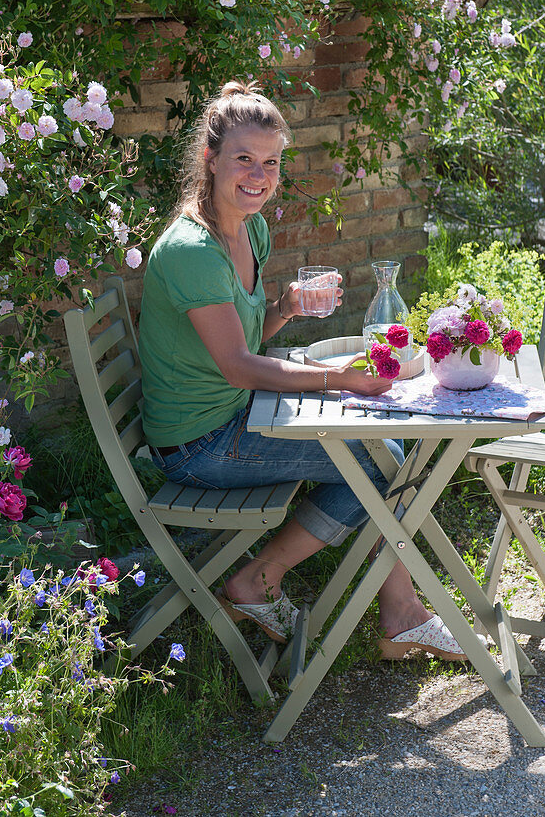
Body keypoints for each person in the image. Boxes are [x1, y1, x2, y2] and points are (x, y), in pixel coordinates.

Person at [139, 81, 465, 660]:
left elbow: (242, 340)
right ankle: (298, 589)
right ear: (210, 160)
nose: (258, 175)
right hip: (200, 443)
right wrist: (339, 379)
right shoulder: (192, 249)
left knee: (380, 451)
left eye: (270, 162)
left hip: (233, 416)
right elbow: (239, 368)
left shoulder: (248, 228)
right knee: (381, 457)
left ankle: (386, 610)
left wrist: (285, 308)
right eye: (244, 159)